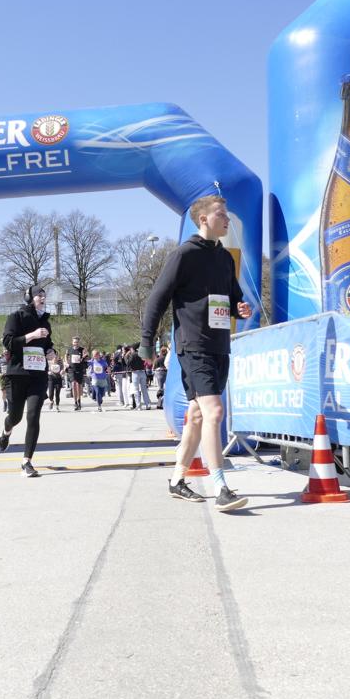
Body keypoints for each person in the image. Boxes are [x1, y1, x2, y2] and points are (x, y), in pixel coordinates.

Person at [140, 193, 250, 513]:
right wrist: (146, 341)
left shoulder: (225, 258)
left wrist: (240, 308)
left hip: (219, 345)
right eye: (221, 214)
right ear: (204, 219)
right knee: (214, 412)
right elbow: (157, 299)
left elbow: (233, 297)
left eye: (227, 214)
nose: (227, 219)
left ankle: (177, 480)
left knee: (199, 416)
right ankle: (221, 487)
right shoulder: (184, 255)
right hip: (193, 345)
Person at [0, 285, 55, 478]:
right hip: (18, 373)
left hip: (38, 375)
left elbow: (47, 344)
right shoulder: (16, 317)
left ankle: (26, 461)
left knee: (33, 415)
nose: (43, 298)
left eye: (44, 295)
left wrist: (50, 351)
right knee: (16, 417)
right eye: (39, 295)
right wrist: (32, 336)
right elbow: (8, 342)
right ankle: (6, 431)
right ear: (29, 297)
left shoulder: (45, 322)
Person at [65, 336, 87, 411]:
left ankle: (79, 401)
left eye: (77, 342)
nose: (75, 343)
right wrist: (66, 363)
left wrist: (84, 357)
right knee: (73, 385)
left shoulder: (82, 349)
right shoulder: (69, 349)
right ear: (72, 342)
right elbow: (66, 355)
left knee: (78, 386)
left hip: (79, 369)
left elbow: (86, 358)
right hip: (71, 369)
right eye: (74, 342)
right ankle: (75, 402)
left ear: (78, 342)